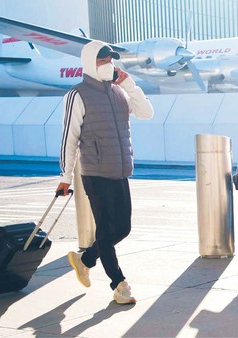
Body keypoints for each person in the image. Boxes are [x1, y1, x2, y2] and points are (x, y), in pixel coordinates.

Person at [58, 40, 154, 304]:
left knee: (122, 228)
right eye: (103, 60)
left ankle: (85, 259)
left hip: (120, 170)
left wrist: (128, 84)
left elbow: (146, 112)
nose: (109, 64)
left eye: (111, 60)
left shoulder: (119, 91)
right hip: (95, 172)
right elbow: (70, 137)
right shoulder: (77, 94)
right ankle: (119, 284)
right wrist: (65, 177)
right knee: (105, 229)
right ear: (90, 62)